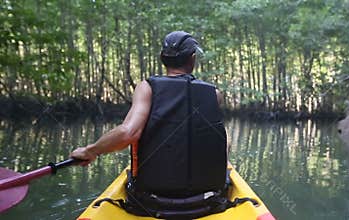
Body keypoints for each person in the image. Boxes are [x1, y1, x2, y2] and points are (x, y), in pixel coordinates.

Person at [71, 31, 230, 218]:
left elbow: (128, 133)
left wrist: (91, 150)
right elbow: (221, 142)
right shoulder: (214, 94)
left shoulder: (147, 88)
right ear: (192, 59)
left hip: (150, 201)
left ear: (163, 58)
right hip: (207, 201)